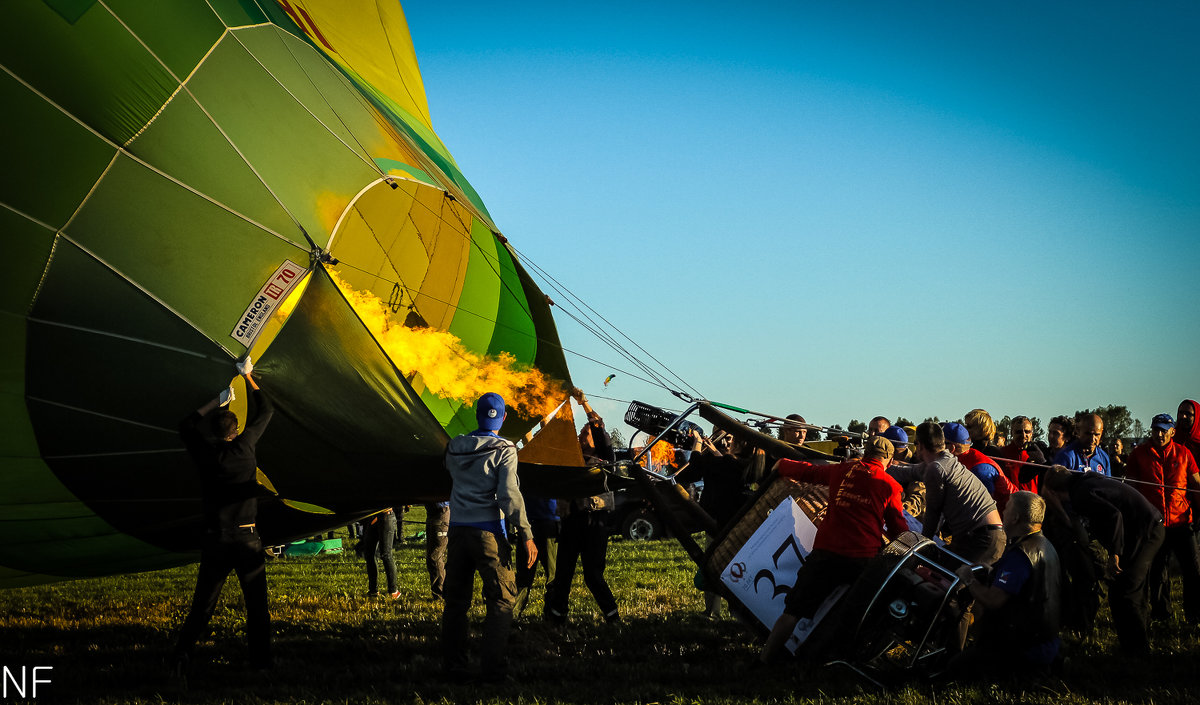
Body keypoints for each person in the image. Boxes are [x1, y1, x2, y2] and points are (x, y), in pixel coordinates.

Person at [758, 436, 907, 665]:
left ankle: (764, 661)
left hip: (826, 553)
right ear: (888, 459)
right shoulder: (890, 485)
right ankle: (844, 661)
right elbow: (899, 528)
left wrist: (782, 465)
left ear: (865, 452)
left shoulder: (842, 470)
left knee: (793, 611)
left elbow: (810, 472)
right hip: (861, 560)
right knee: (861, 614)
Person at [173, 357, 274, 677]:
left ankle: (182, 654)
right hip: (246, 538)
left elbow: (185, 426)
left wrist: (213, 402)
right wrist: (248, 377)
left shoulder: (205, 453)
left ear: (212, 433)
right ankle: (261, 663)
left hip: (216, 538)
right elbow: (267, 410)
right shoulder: (245, 448)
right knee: (256, 605)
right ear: (236, 430)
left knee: (203, 604)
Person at [441, 393, 536, 682]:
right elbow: (508, 494)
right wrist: (526, 533)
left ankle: (454, 668)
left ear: (475, 413)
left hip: (457, 531)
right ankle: (492, 670)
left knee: (456, 601)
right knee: (501, 599)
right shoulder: (505, 449)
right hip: (488, 533)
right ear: (504, 417)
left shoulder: (455, 446)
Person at [1042, 466, 1165, 654]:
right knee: (1132, 586)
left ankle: (1136, 650)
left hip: (1145, 531)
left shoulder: (1081, 494)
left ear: (1052, 491)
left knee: (1124, 590)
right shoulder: (1084, 483)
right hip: (1146, 527)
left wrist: (1114, 554)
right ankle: (1139, 641)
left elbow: (1114, 516)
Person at [953, 491, 1062, 674]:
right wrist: (993, 571)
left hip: (1024, 647)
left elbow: (993, 600)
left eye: (1007, 508)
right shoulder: (1044, 545)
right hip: (1046, 639)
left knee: (953, 667)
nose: (1003, 512)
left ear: (1016, 517)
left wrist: (969, 579)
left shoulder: (1020, 555)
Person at [546, 391, 620, 625]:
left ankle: (612, 617)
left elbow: (597, 426)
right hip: (570, 523)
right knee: (563, 574)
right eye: (580, 432)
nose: (579, 434)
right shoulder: (571, 458)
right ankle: (558, 616)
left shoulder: (605, 457)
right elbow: (550, 439)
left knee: (593, 575)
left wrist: (583, 403)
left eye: (584, 432)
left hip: (594, 523)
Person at [889, 422, 1005, 566]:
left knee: (944, 576)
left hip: (981, 539)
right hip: (986, 536)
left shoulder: (937, 469)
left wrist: (921, 548)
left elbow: (933, 512)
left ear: (920, 445)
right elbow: (906, 472)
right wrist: (873, 465)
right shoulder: (942, 462)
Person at [1127, 413, 1200, 623]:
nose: (1159, 434)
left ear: (1172, 432)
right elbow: (1132, 488)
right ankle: (1161, 615)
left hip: (1182, 521)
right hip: (1154, 523)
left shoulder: (1184, 453)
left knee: (1193, 570)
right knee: (1158, 571)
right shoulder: (1139, 454)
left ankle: (1194, 615)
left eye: (1163, 430)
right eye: (1155, 429)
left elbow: (1196, 484)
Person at [945, 422, 1013, 511]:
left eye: (940, 444)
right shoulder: (964, 458)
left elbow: (985, 507)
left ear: (952, 448)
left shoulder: (980, 469)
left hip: (1010, 516)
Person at [513, 493, 558, 619]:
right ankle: (513, 614)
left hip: (547, 519)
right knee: (525, 574)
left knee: (552, 575)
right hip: (531, 520)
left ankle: (553, 616)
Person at [1000, 416, 1047, 492]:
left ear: (1031, 433)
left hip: (1033, 500)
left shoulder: (1039, 453)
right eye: (1018, 432)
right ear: (1011, 433)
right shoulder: (1002, 453)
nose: (1023, 435)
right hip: (1010, 500)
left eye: (1027, 431)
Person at [361, 508, 400, 599]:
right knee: (369, 554)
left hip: (385, 516)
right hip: (372, 517)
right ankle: (373, 591)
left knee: (386, 554)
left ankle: (393, 591)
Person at [424, 502, 449, 600]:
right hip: (431, 513)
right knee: (433, 557)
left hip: (441, 512)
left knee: (435, 556)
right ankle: (439, 592)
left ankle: (440, 594)